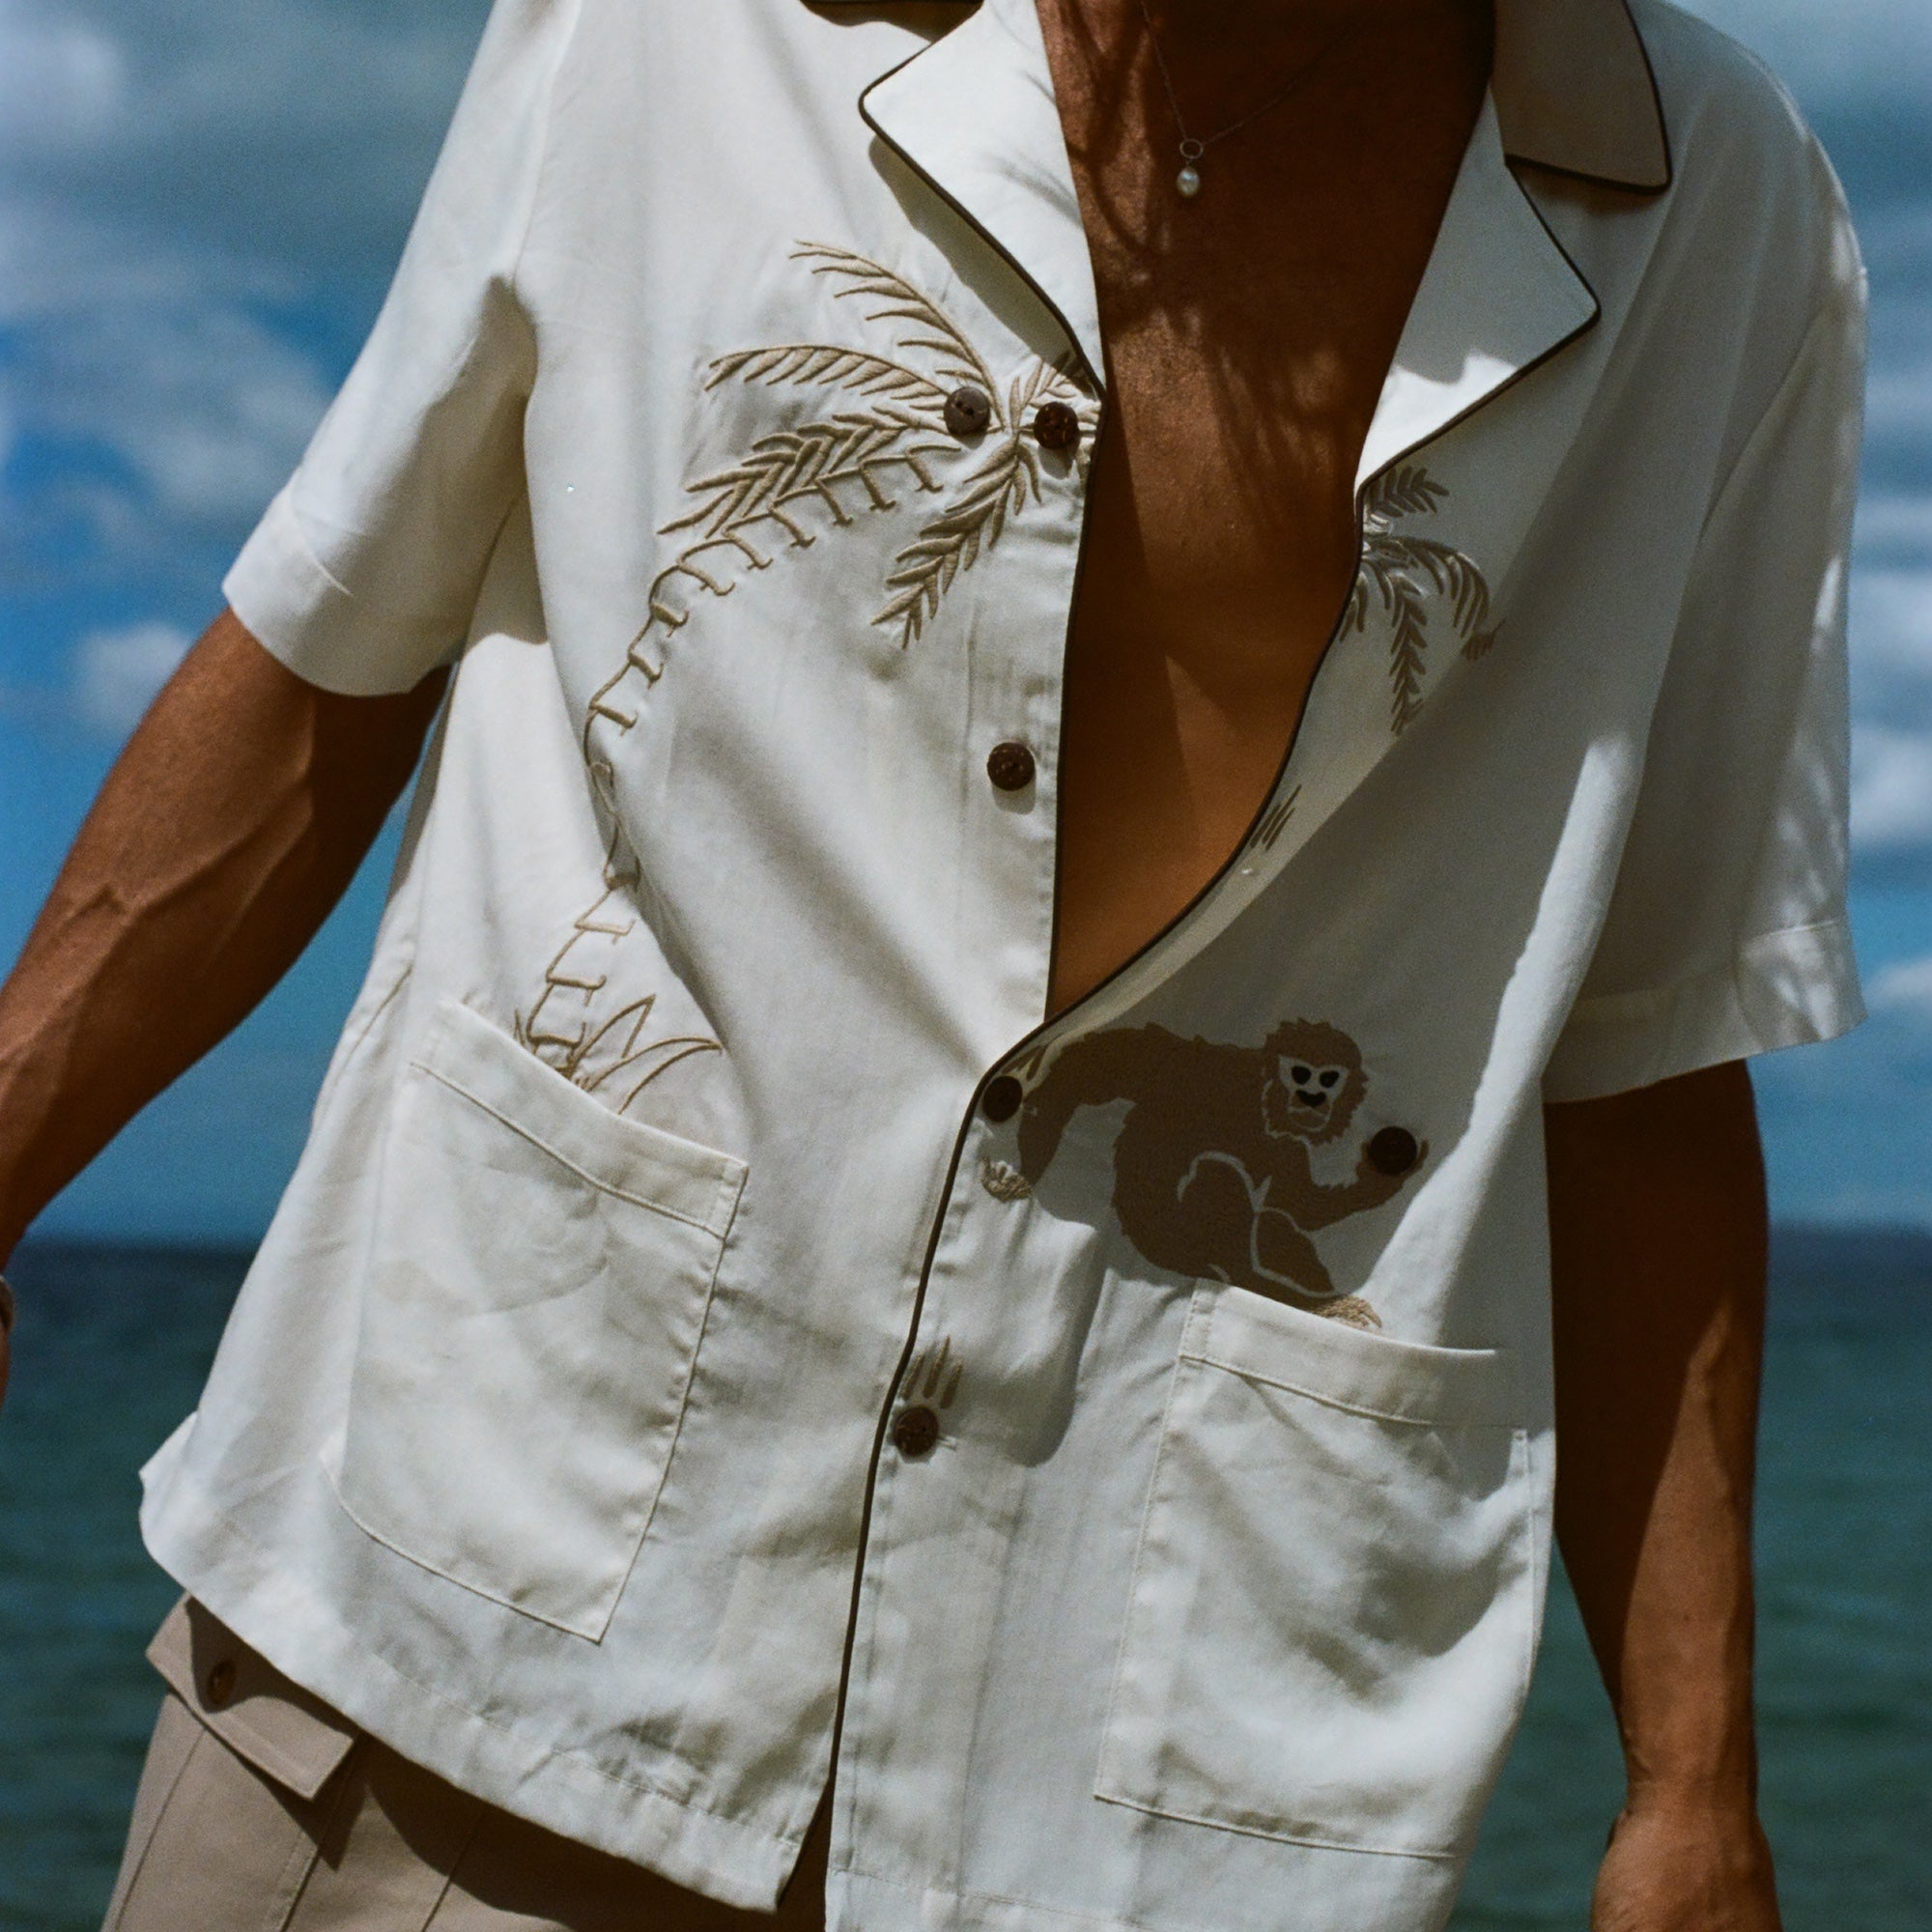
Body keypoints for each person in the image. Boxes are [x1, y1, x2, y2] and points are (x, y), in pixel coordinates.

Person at [0, 0, 1865, 1925]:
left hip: (1145, 1794)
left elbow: (1640, 1023)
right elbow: (331, 648)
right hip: (460, 1648)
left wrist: (1689, 1786)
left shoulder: (1719, 214)